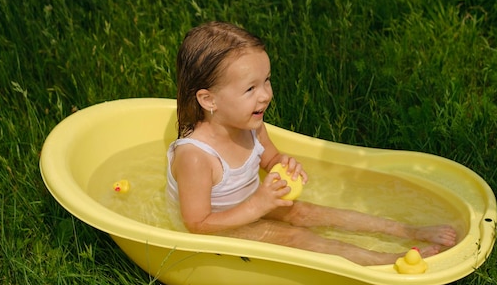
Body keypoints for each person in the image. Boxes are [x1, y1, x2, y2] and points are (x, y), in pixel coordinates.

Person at [166, 21, 457, 266]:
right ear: (209, 100)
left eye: (266, 81)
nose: (265, 95)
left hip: (253, 205)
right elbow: (197, 224)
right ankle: (384, 260)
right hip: (219, 231)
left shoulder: (250, 126)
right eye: (250, 88)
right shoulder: (196, 157)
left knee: (310, 212)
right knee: (296, 238)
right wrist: (256, 207)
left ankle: (407, 229)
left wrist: (284, 165)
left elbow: (270, 159)